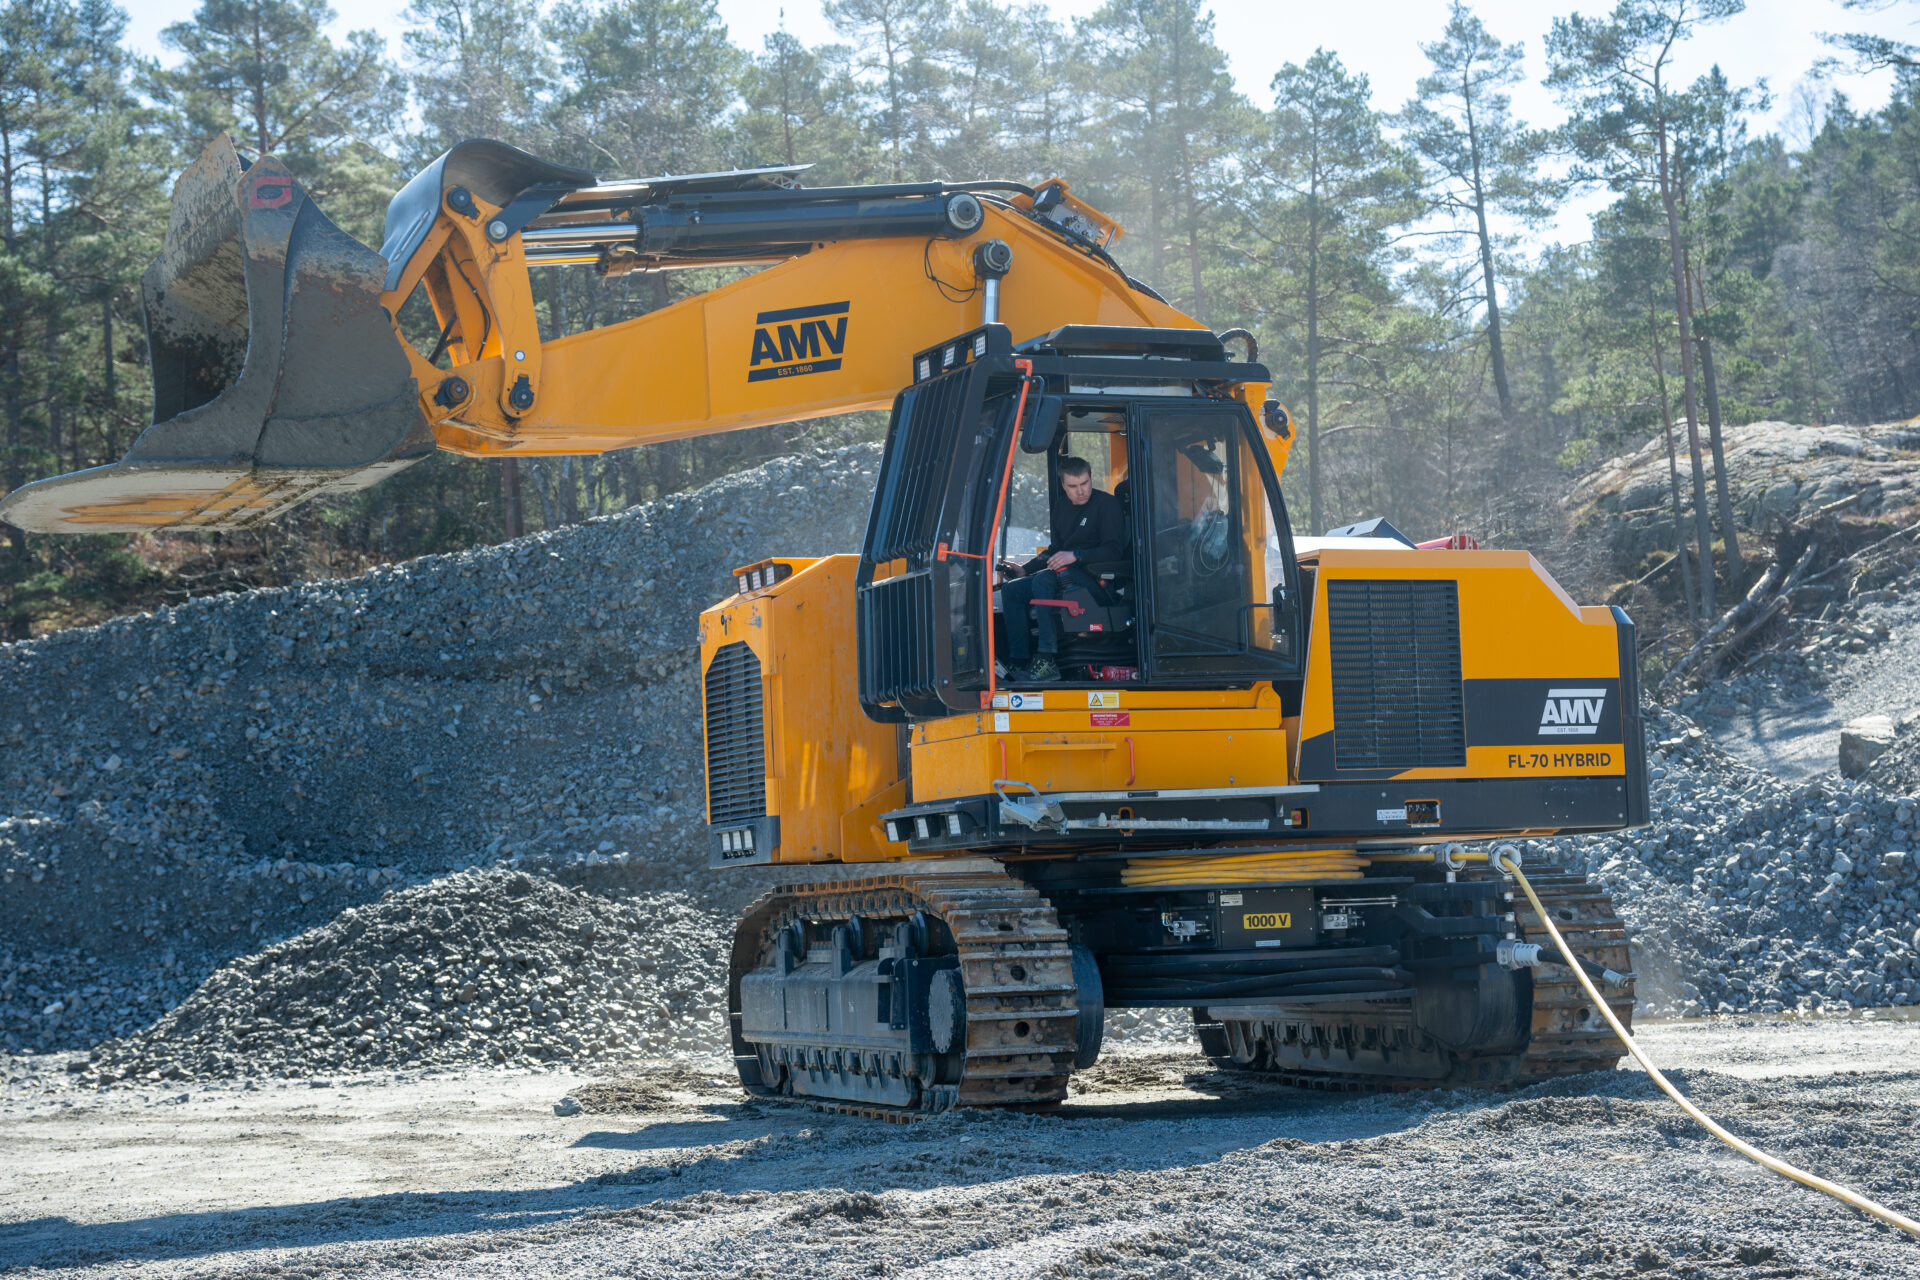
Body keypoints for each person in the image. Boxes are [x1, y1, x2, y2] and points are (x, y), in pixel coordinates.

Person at [998, 456, 1127, 682]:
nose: (1081, 491)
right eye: (1073, 486)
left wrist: (1075, 556)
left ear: (1090, 478)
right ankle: (1019, 661)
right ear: (1063, 486)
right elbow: (1055, 550)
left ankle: (1047, 659)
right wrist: (1024, 570)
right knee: (1012, 591)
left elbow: (1114, 551)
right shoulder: (1061, 508)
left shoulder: (1106, 505)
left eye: (1085, 483)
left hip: (1098, 579)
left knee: (1044, 581)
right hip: (1066, 575)